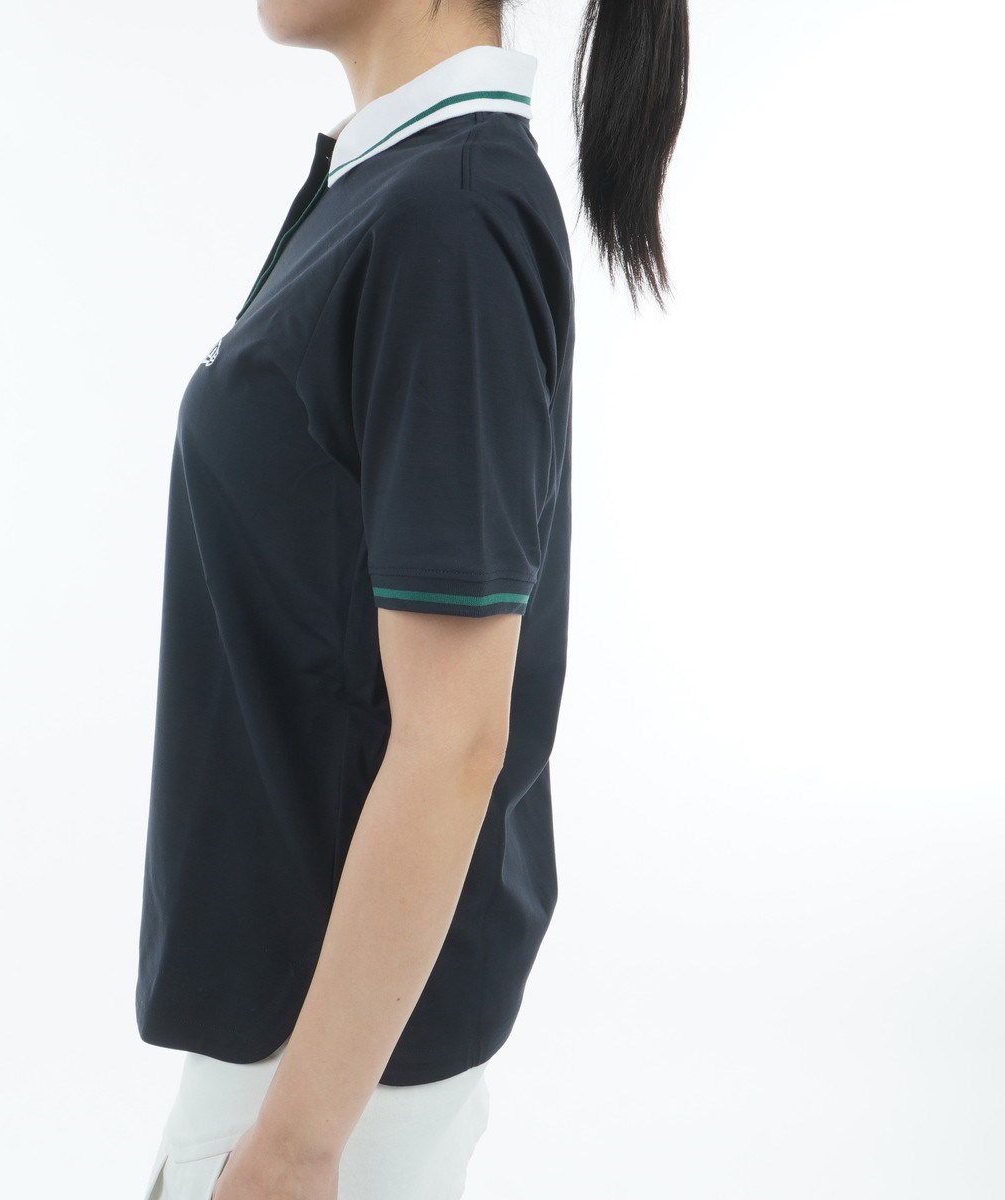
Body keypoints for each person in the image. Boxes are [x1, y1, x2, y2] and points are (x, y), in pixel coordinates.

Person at [136, 1, 688, 1197]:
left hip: (324, 1087)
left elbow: (454, 740)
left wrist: (295, 1148)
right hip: (301, 1057)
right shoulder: (398, 187)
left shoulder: (450, 218)